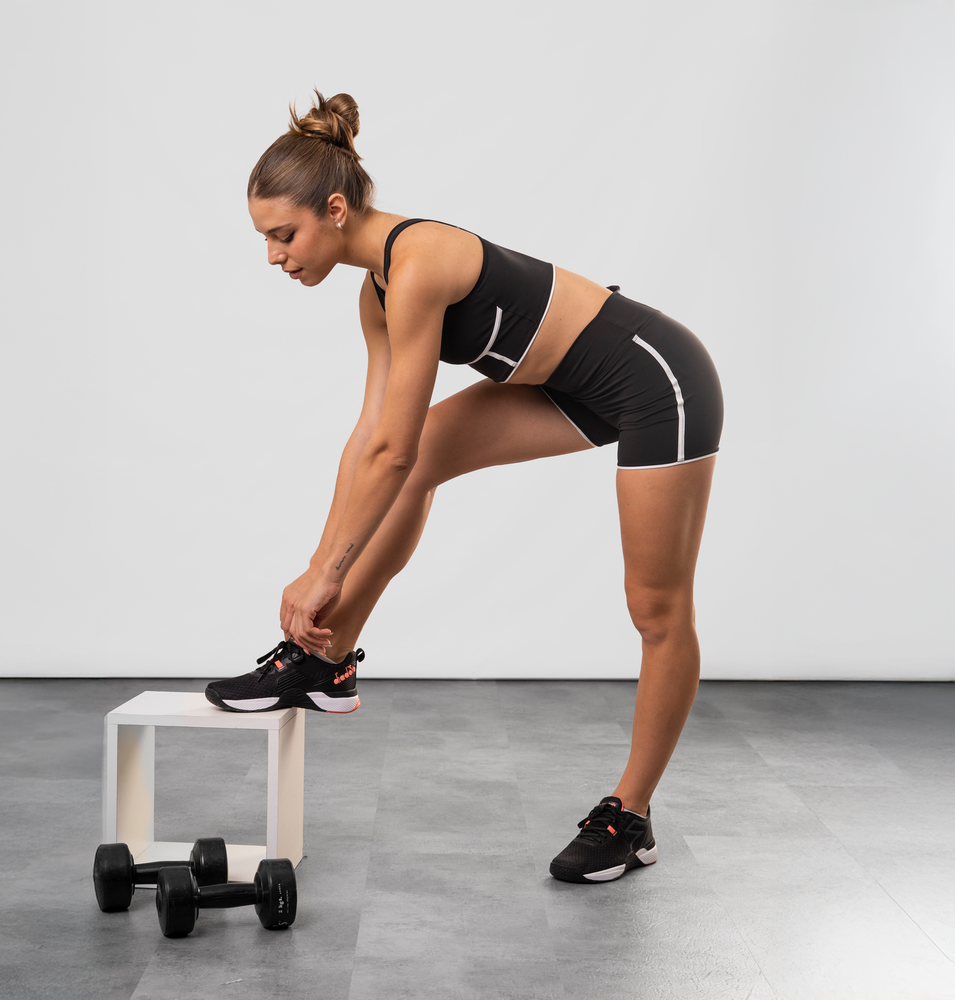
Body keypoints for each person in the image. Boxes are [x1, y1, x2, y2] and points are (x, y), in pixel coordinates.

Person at [205, 91, 723, 885]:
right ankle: (324, 660)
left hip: (659, 380)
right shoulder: (376, 292)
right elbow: (370, 440)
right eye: (265, 239)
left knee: (655, 607)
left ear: (334, 210)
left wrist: (325, 571)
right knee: (422, 455)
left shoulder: (419, 265)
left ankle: (631, 814)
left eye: (283, 234)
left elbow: (391, 452)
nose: (275, 255)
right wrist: (318, 569)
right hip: (570, 388)